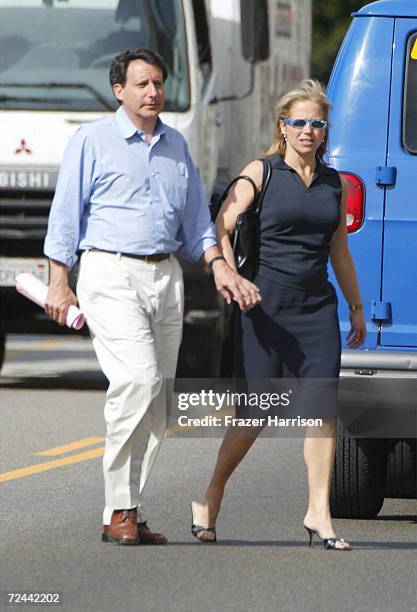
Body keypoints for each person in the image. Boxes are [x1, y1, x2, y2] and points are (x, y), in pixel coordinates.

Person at [43, 47, 261, 545]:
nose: (152, 92)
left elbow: (194, 225)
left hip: (166, 276)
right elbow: (65, 216)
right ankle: (118, 507)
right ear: (119, 90)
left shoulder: (176, 145)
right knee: (137, 381)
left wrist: (220, 267)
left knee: (159, 399)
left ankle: (129, 508)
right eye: (142, 84)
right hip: (109, 271)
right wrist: (59, 279)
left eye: (158, 83)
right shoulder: (91, 140)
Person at [190, 79, 366, 551]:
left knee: (321, 410)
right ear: (282, 127)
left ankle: (318, 512)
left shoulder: (334, 183)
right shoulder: (261, 172)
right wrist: (227, 271)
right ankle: (212, 492)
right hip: (264, 307)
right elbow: (221, 223)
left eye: (317, 123)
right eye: (299, 122)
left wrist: (355, 307)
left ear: (326, 131)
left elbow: (340, 252)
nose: (308, 131)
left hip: (317, 308)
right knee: (254, 415)